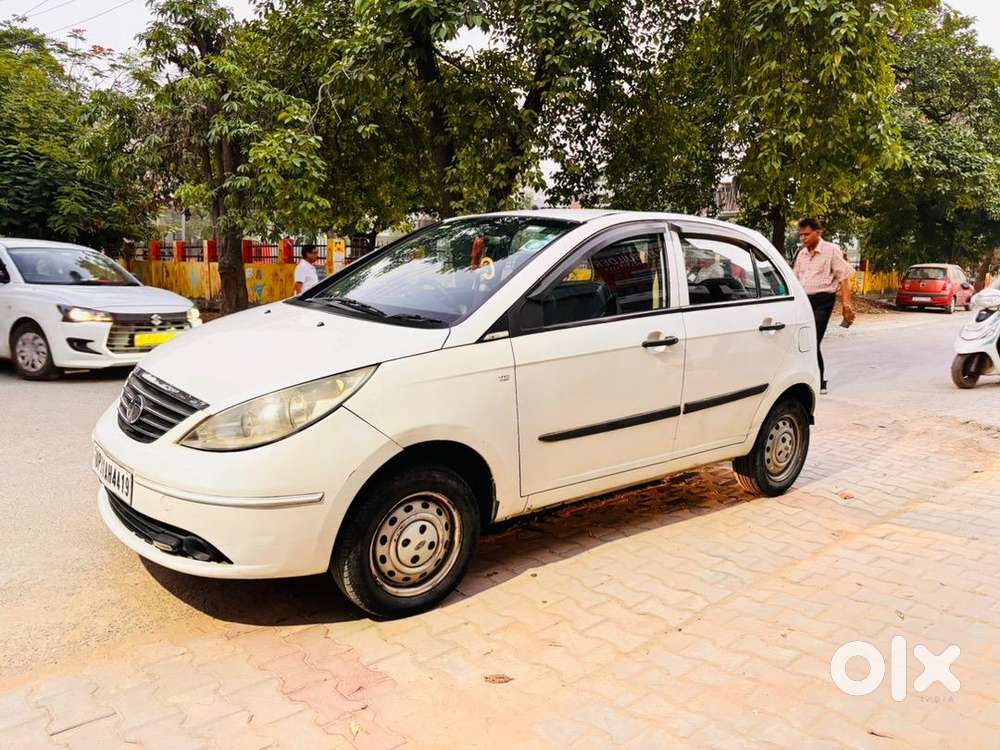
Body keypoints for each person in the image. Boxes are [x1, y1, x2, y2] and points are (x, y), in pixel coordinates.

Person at [793, 218, 855, 395]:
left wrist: (846, 304)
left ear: (818, 233)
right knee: (800, 340)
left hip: (823, 300)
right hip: (803, 301)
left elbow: (843, 277)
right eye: (801, 235)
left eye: (807, 234)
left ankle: (819, 381)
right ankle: (804, 380)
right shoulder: (802, 253)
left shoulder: (831, 250)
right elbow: (795, 278)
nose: (803, 238)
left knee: (813, 340)